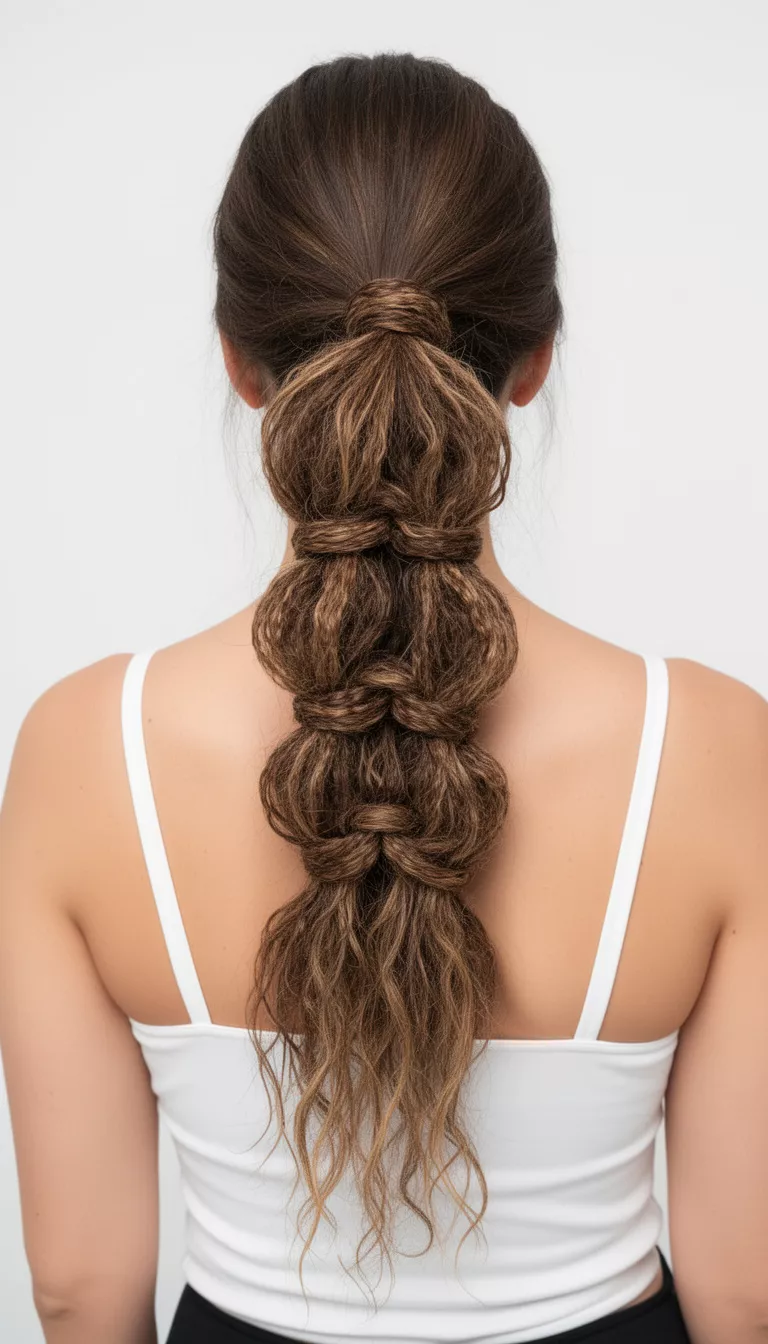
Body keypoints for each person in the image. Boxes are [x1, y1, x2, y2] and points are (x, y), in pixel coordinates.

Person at [1, 50, 767, 1344]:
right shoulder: (710, 751)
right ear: (531, 360)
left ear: (245, 367)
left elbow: (82, 1291)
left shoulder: (87, 750)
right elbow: (745, 1292)